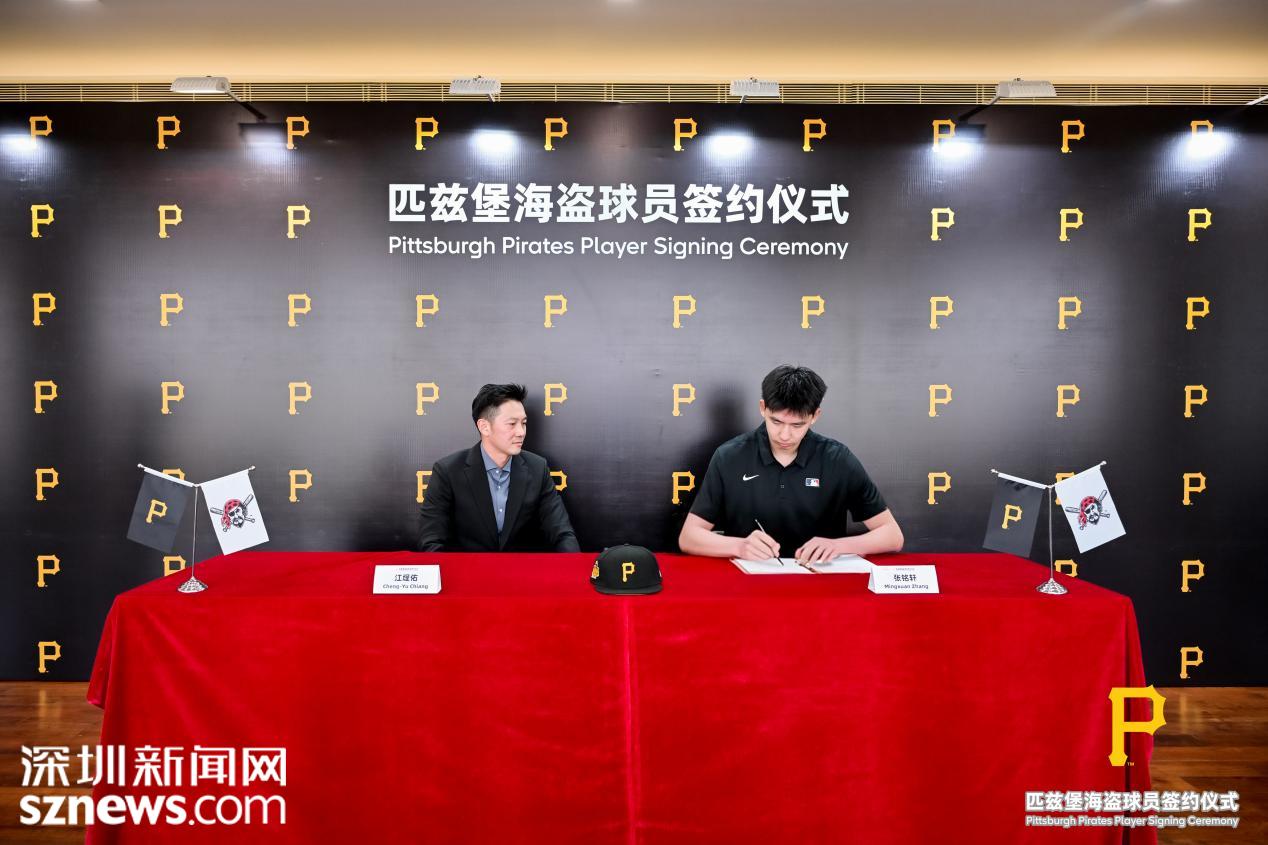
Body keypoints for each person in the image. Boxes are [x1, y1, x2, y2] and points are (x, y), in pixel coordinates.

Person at [678, 365, 903, 564]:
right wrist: (739, 546)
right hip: (748, 583)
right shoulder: (730, 456)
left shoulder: (837, 459)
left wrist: (839, 546)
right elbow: (688, 537)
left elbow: (893, 536)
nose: (785, 435)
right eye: (776, 421)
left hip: (820, 583)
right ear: (763, 408)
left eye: (797, 425)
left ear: (815, 416)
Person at [417, 383, 580, 552]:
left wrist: (574, 565)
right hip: (469, 568)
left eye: (523, 423)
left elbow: (562, 533)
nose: (521, 432)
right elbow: (431, 542)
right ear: (484, 427)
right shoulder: (447, 472)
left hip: (521, 568)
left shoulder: (538, 468)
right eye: (512, 424)